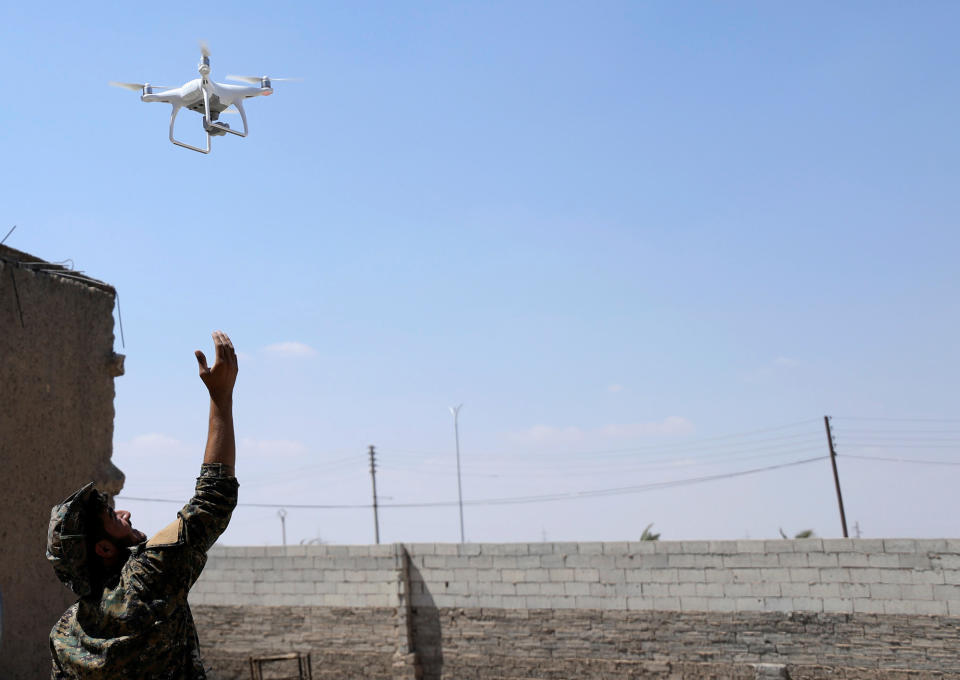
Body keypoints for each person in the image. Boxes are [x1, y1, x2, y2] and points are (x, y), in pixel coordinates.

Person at [47, 331, 239, 679]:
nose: (125, 512)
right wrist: (220, 398)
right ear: (104, 548)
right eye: (111, 515)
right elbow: (212, 500)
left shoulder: (65, 635)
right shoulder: (145, 581)